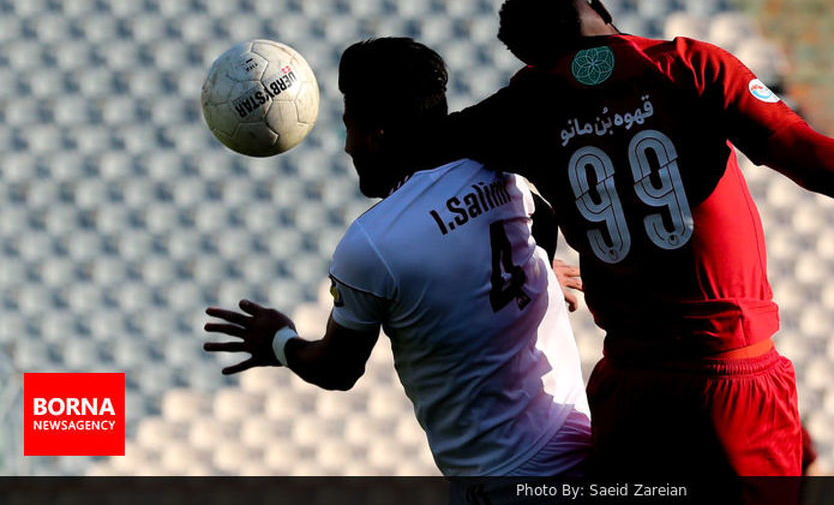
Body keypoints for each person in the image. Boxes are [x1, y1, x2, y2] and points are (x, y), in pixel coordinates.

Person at [429, 0, 834, 491]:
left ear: (528, 58)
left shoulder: (516, 111)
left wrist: (535, 244)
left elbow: (411, 153)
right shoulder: (686, 67)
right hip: (728, 384)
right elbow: (813, 160)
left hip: (631, 395)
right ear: (600, 7)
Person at [203, 37, 591, 482]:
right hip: (576, 433)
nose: (348, 146)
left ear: (378, 132)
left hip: (503, 476)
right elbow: (539, 219)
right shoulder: (500, 173)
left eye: (350, 127)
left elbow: (338, 369)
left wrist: (278, 342)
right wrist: (535, 268)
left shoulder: (372, 243)